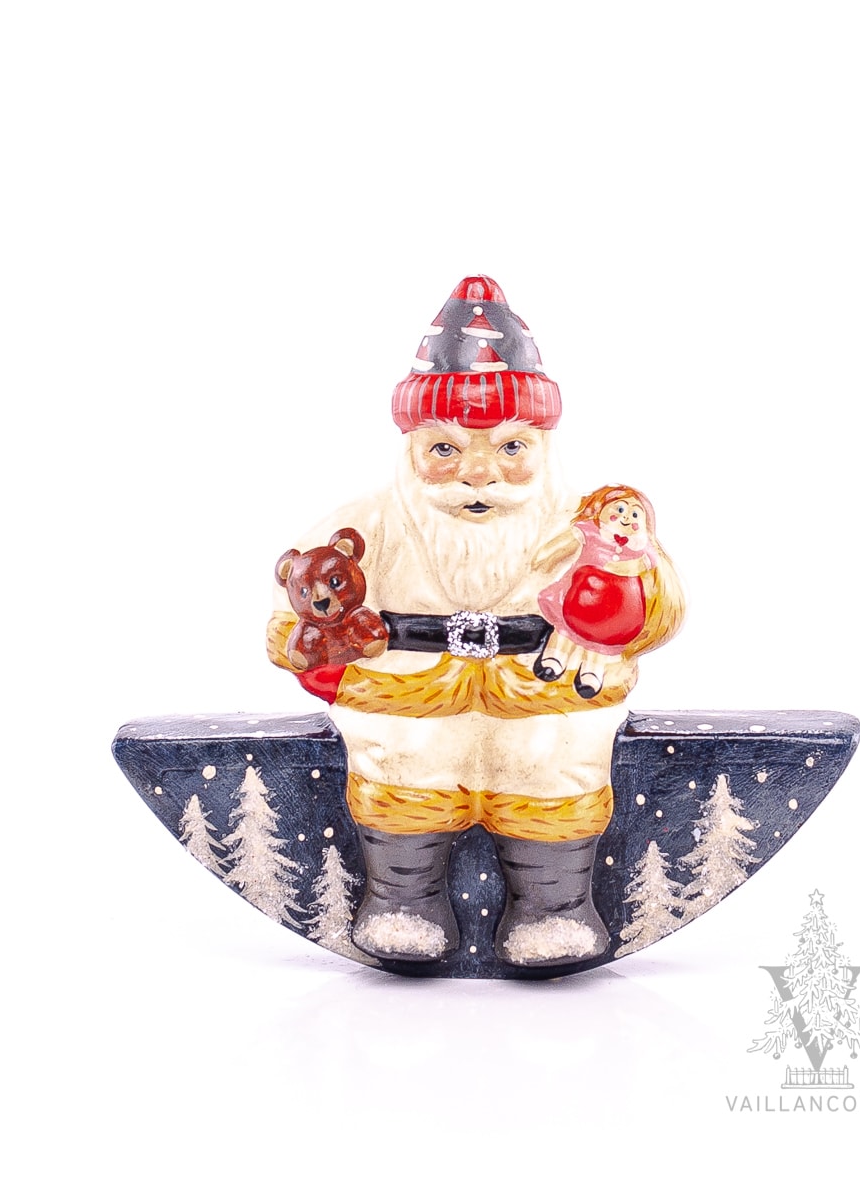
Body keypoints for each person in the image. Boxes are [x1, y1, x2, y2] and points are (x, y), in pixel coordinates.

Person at [266, 276, 684, 968]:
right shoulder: (371, 520)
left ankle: (555, 909)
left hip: (540, 686)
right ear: (412, 448)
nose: (479, 473)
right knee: (403, 765)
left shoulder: (586, 518)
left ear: (542, 445)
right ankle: (402, 902)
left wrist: (628, 610)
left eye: (511, 449)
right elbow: (297, 599)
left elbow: (655, 596)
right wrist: (315, 647)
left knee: (554, 765)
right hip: (410, 688)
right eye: (446, 450)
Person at [534, 485, 661, 699]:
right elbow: (561, 548)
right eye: (620, 509)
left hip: (617, 614)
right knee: (566, 628)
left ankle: (591, 672)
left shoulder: (642, 549)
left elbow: (653, 571)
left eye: (635, 514)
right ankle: (555, 657)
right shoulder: (591, 533)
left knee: (600, 642)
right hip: (579, 598)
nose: (626, 517)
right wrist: (545, 559)